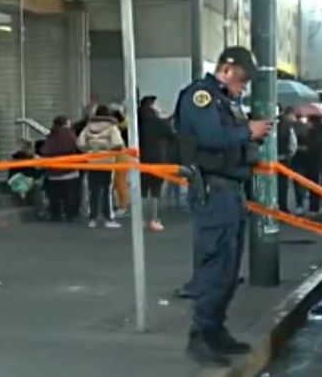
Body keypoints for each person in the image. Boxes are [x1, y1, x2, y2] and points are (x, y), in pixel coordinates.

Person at [175, 46, 272, 366]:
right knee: (214, 264)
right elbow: (212, 137)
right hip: (213, 190)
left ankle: (215, 330)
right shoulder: (200, 97)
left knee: (229, 269)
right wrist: (249, 130)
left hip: (231, 190)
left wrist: (250, 140)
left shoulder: (226, 102)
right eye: (241, 80)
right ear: (227, 69)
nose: (242, 87)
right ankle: (201, 336)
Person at [77, 105, 125, 229]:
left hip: (92, 161)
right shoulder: (112, 127)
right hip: (107, 162)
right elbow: (118, 144)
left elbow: (80, 143)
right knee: (106, 190)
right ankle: (108, 217)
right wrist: (107, 150)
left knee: (93, 190)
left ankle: (92, 218)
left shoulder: (88, 127)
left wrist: (90, 150)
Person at [139, 95, 176, 232]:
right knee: (155, 190)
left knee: (142, 190)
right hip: (157, 158)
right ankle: (153, 219)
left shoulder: (137, 121)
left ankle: (140, 219)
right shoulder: (157, 122)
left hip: (139, 159)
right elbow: (171, 135)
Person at [41, 116, 82, 222]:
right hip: (69, 169)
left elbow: (45, 150)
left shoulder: (51, 135)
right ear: (66, 123)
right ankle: (71, 215)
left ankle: (55, 214)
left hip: (53, 171)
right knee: (71, 194)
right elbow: (78, 147)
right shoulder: (69, 134)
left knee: (54, 195)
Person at [303, 114, 322, 215]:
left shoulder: (314, 133)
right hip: (321, 161)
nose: (306, 123)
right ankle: (318, 206)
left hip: (314, 161)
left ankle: (314, 207)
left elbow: (312, 146)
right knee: (318, 184)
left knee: (314, 185)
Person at [109, 103, 131, 217]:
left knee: (119, 182)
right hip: (122, 154)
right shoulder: (123, 125)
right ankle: (121, 205)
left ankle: (122, 206)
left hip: (119, 154)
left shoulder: (116, 127)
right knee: (118, 182)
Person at [276, 106, 299, 213]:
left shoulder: (272, 122)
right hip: (283, 159)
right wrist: (290, 154)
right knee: (282, 186)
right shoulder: (288, 126)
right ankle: (282, 208)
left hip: (270, 159)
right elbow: (293, 143)